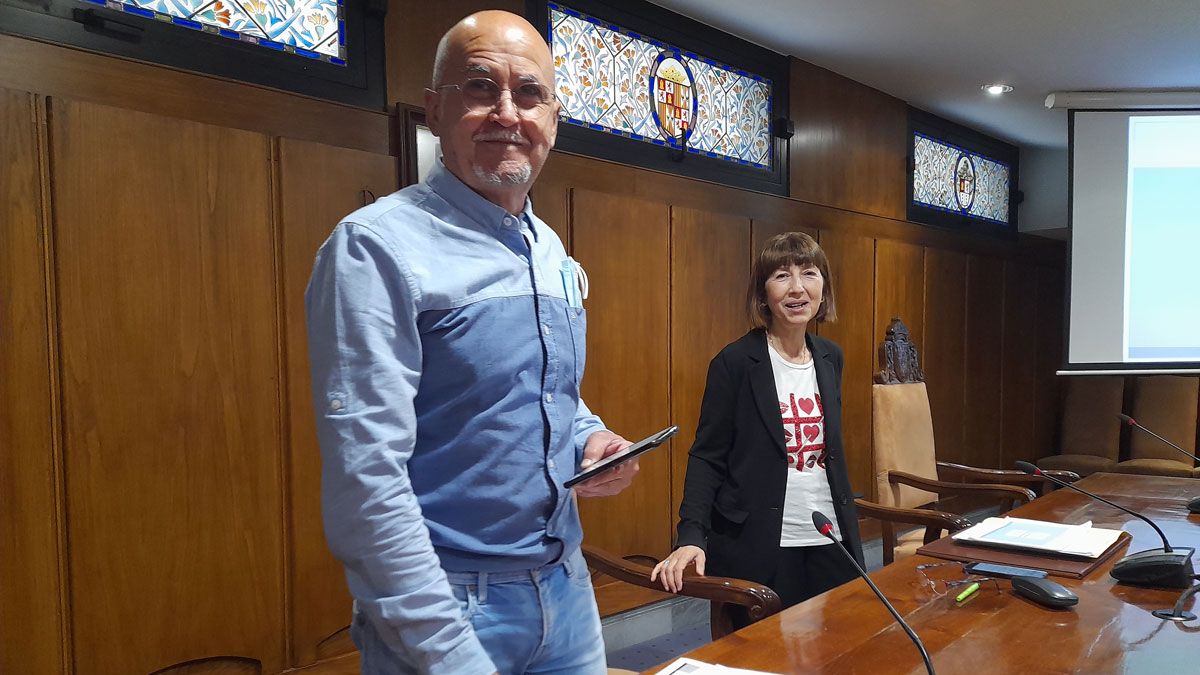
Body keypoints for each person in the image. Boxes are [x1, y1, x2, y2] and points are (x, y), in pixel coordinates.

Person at [304, 11, 638, 675]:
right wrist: (448, 650)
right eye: (481, 88)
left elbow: (543, 392)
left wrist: (590, 438)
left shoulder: (548, 247)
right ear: (435, 109)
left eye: (530, 93)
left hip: (568, 593)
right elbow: (366, 480)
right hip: (450, 608)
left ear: (553, 119)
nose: (508, 113)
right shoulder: (376, 247)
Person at [651, 232, 864, 613]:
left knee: (841, 639)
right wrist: (691, 533)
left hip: (830, 535)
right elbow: (707, 456)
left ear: (824, 288)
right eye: (782, 276)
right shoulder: (734, 363)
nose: (797, 288)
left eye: (809, 273)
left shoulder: (831, 357)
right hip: (759, 542)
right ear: (763, 293)